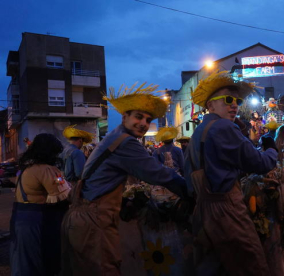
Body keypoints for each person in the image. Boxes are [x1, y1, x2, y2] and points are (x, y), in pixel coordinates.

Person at [61, 82, 187, 275]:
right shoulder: (125, 142)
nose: (144, 123)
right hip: (93, 220)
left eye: (148, 119)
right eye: (138, 116)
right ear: (124, 117)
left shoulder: (115, 136)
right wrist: (190, 193)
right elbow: (159, 174)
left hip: (83, 216)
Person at [184, 71, 278, 275]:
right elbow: (258, 163)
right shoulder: (223, 126)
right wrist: (272, 150)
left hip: (203, 210)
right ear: (210, 105)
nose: (234, 105)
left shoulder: (199, 131)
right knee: (252, 264)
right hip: (226, 209)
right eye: (228, 100)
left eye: (237, 100)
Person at [10, 133, 71, 276]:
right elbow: (65, 195)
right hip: (38, 222)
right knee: (41, 261)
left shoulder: (26, 168)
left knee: (23, 261)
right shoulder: (46, 170)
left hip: (20, 219)